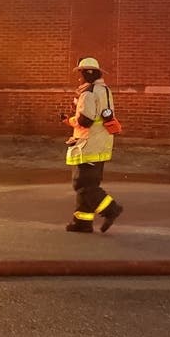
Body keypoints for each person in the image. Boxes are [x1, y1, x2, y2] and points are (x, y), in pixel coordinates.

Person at [62, 57, 123, 233]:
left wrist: (69, 121)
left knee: (82, 184)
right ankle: (82, 222)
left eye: (80, 74)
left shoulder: (87, 93)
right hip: (102, 144)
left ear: (87, 74)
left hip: (88, 145)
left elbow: (86, 120)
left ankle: (111, 209)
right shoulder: (105, 90)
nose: (78, 78)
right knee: (89, 184)